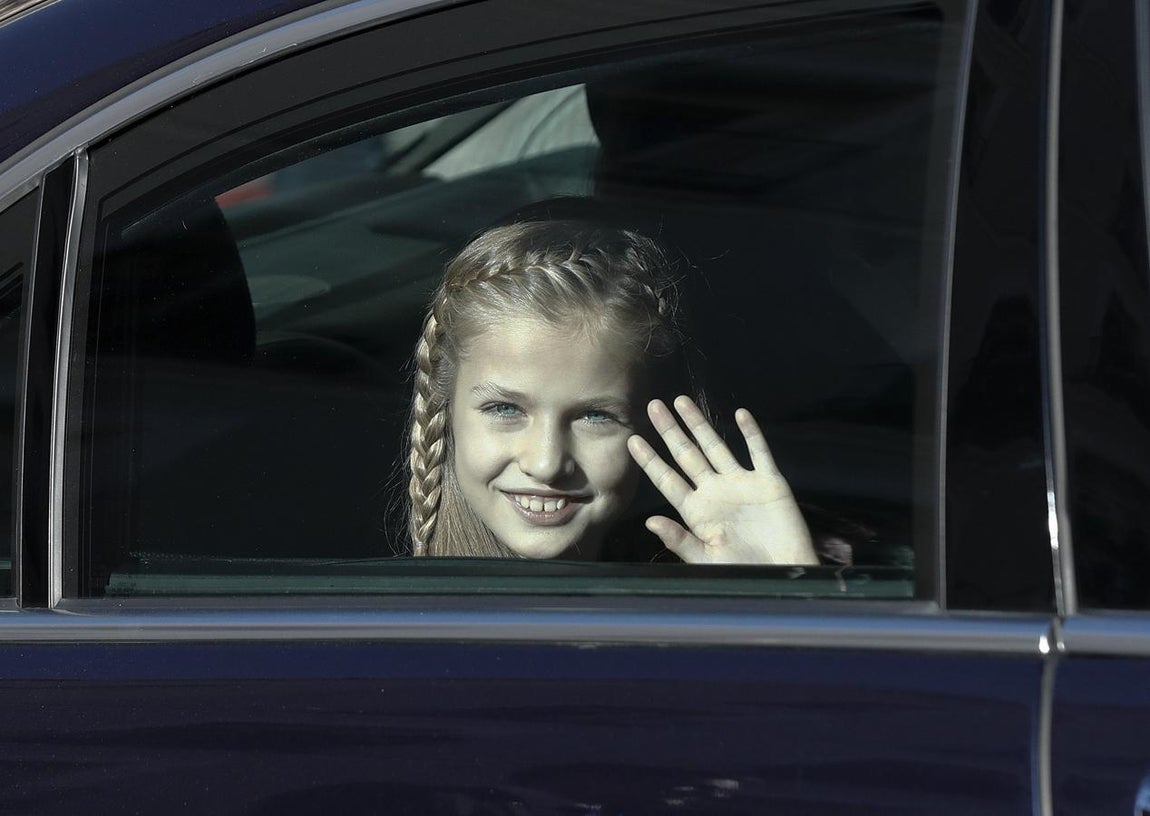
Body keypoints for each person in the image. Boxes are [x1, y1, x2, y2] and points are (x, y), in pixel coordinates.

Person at [406, 219, 819, 565]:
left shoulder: (682, 611)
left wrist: (776, 589)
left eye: (595, 416)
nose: (546, 463)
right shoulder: (396, 616)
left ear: (655, 429)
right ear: (445, 410)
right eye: (505, 409)